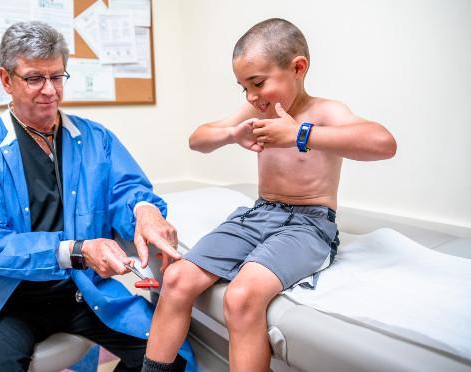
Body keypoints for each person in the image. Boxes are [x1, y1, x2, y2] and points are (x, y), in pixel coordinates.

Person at [0, 21, 193, 372]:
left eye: (57, 77)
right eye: (35, 78)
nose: (49, 90)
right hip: (7, 299)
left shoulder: (95, 139)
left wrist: (145, 211)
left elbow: (128, 190)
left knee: (168, 355)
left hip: (80, 292)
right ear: (6, 80)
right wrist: (78, 250)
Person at [142, 18, 397, 371]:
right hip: (258, 214)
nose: (251, 96)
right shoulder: (254, 111)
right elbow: (196, 140)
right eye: (243, 87)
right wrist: (232, 133)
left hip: (309, 224)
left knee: (242, 296)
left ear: (298, 68)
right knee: (176, 279)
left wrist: (300, 135)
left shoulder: (323, 112)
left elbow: (382, 144)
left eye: (258, 83)